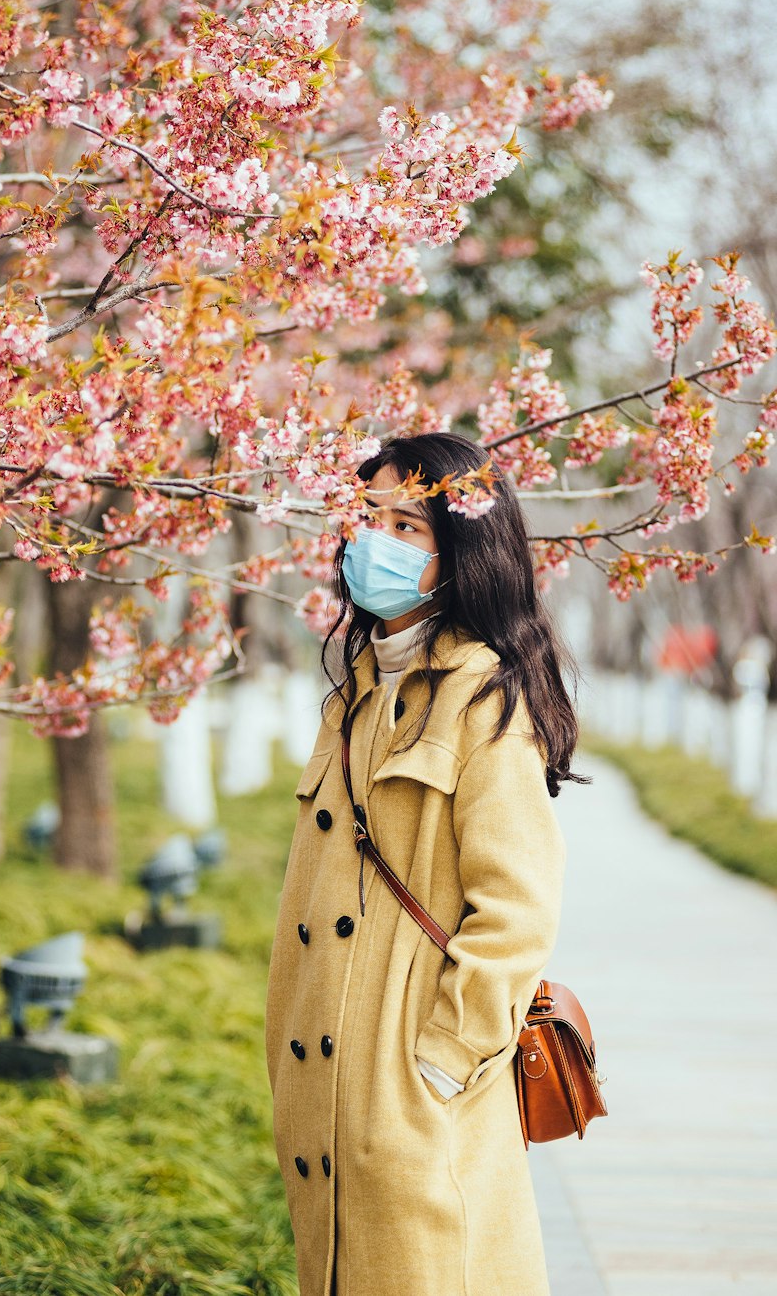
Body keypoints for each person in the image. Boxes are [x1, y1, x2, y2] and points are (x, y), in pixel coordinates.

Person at [264, 431, 587, 1296]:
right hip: (325, 1078)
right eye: (369, 517)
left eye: (409, 525)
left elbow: (517, 908)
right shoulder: (359, 688)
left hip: (408, 1083)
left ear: (463, 553)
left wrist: (440, 1061)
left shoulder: (482, 697)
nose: (377, 540)